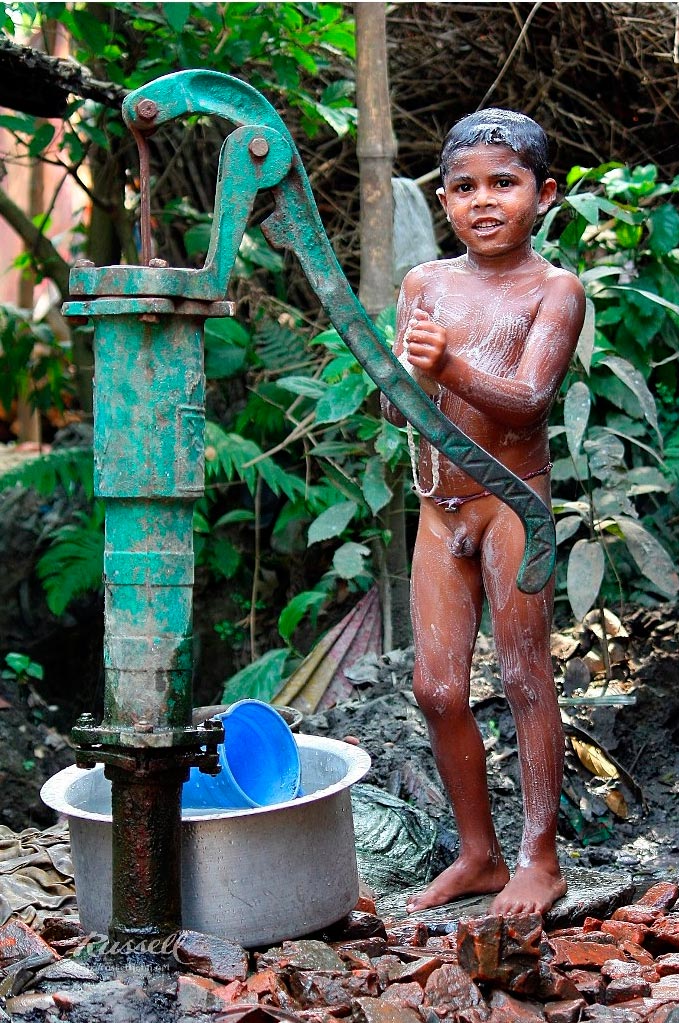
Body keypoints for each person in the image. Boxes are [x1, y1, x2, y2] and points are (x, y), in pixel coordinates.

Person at [381, 109, 586, 917]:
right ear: (442, 200)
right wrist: (399, 380)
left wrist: (447, 364)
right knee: (436, 687)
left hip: (511, 506)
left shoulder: (553, 290)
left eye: (504, 183)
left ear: (543, 192)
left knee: (524, 674)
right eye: (464, 188)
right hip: (439, 509)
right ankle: (479, 853)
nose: (484, 201)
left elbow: (528, 400)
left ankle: (540, 855)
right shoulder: (425, 285)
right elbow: (404, 404)